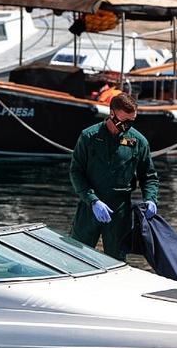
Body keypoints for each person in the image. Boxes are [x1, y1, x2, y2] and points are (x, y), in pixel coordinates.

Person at [69, 93, 160, 260]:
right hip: (90, 206)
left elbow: (149, 176)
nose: (127, 126)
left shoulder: (138, 142)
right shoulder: (89, 136)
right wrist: (92, 200)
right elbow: (76, 172)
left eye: (132, 121)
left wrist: (151, 199)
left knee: (117, 260)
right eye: (124, 121)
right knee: (76, 255)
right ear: (112, 114)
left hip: (120, 210)